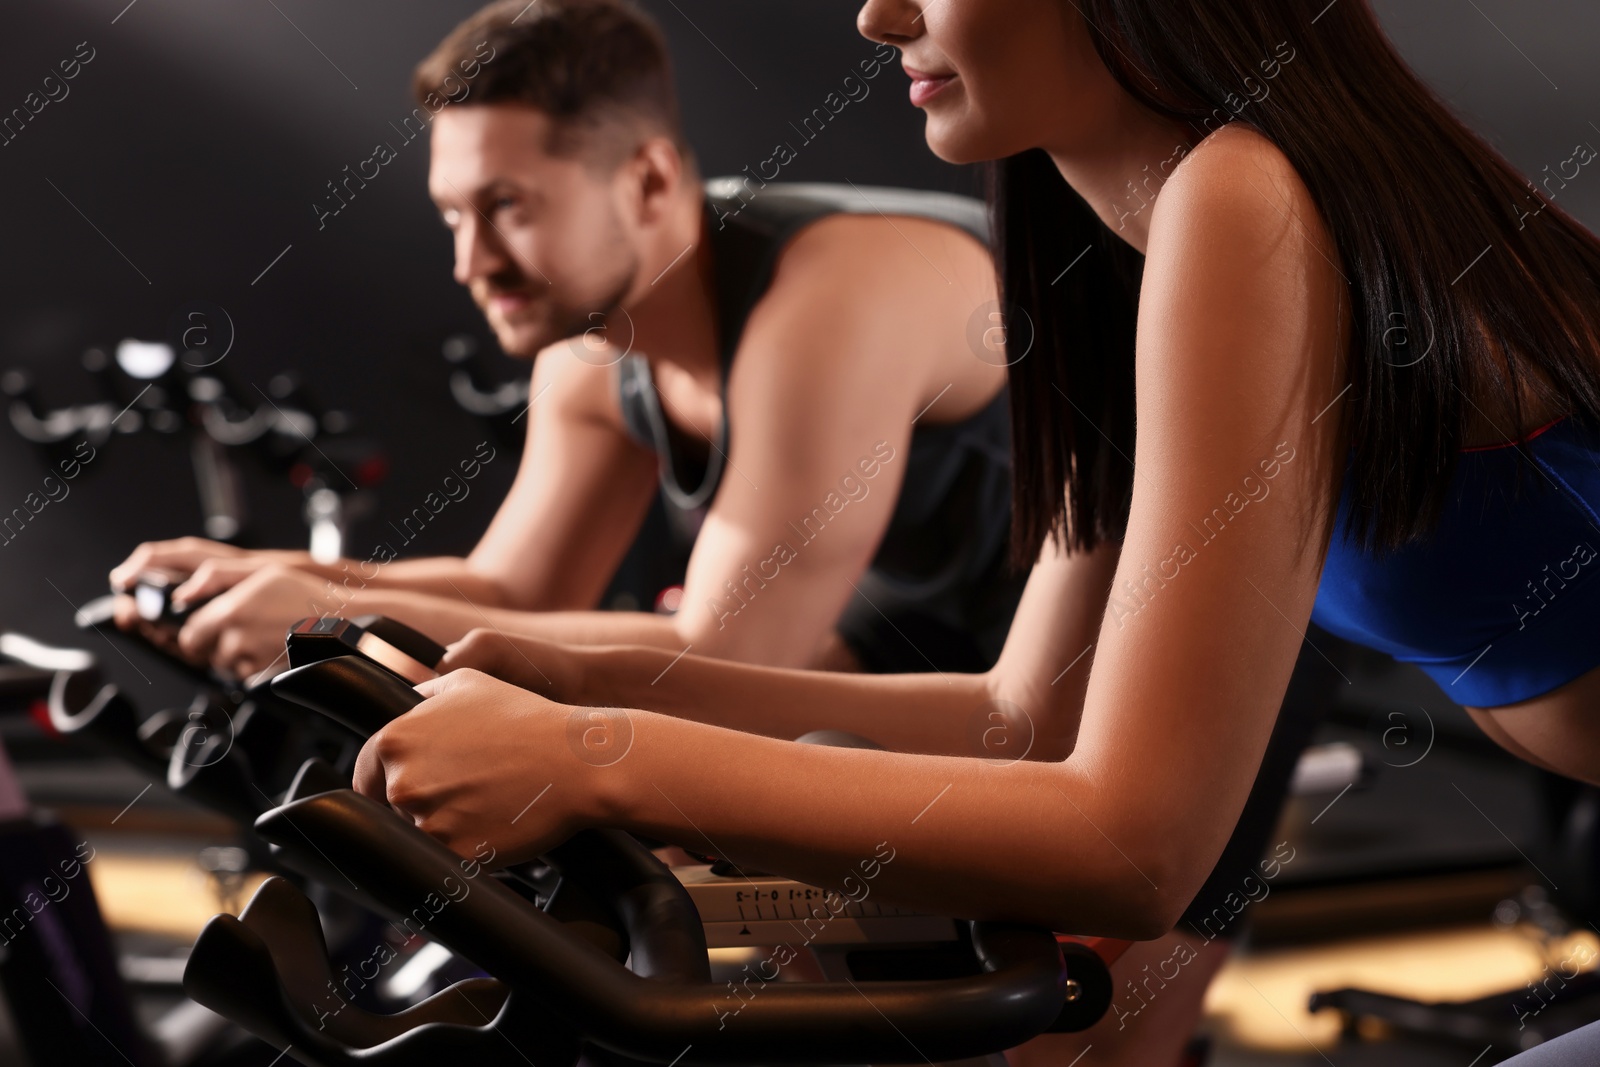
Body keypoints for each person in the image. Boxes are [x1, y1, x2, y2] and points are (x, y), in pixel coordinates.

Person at [345, 0, 1600, 1064]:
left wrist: (599, 753)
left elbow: (1130, 843)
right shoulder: (1126, 247)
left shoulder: (1240, 194)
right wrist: (600, 680)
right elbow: (1024, 718)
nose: (878, 15)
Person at [109, 0, 1024, 681]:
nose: (473, 263)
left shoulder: (832, 294)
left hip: (1097, 665)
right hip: (929, 638)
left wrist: (337, 616)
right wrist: (265, 577)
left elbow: (727, 656)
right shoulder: (591, 347)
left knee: (726, 749)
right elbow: (517, 593)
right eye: (454, 217)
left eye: (508, 208)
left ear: (650, 181)